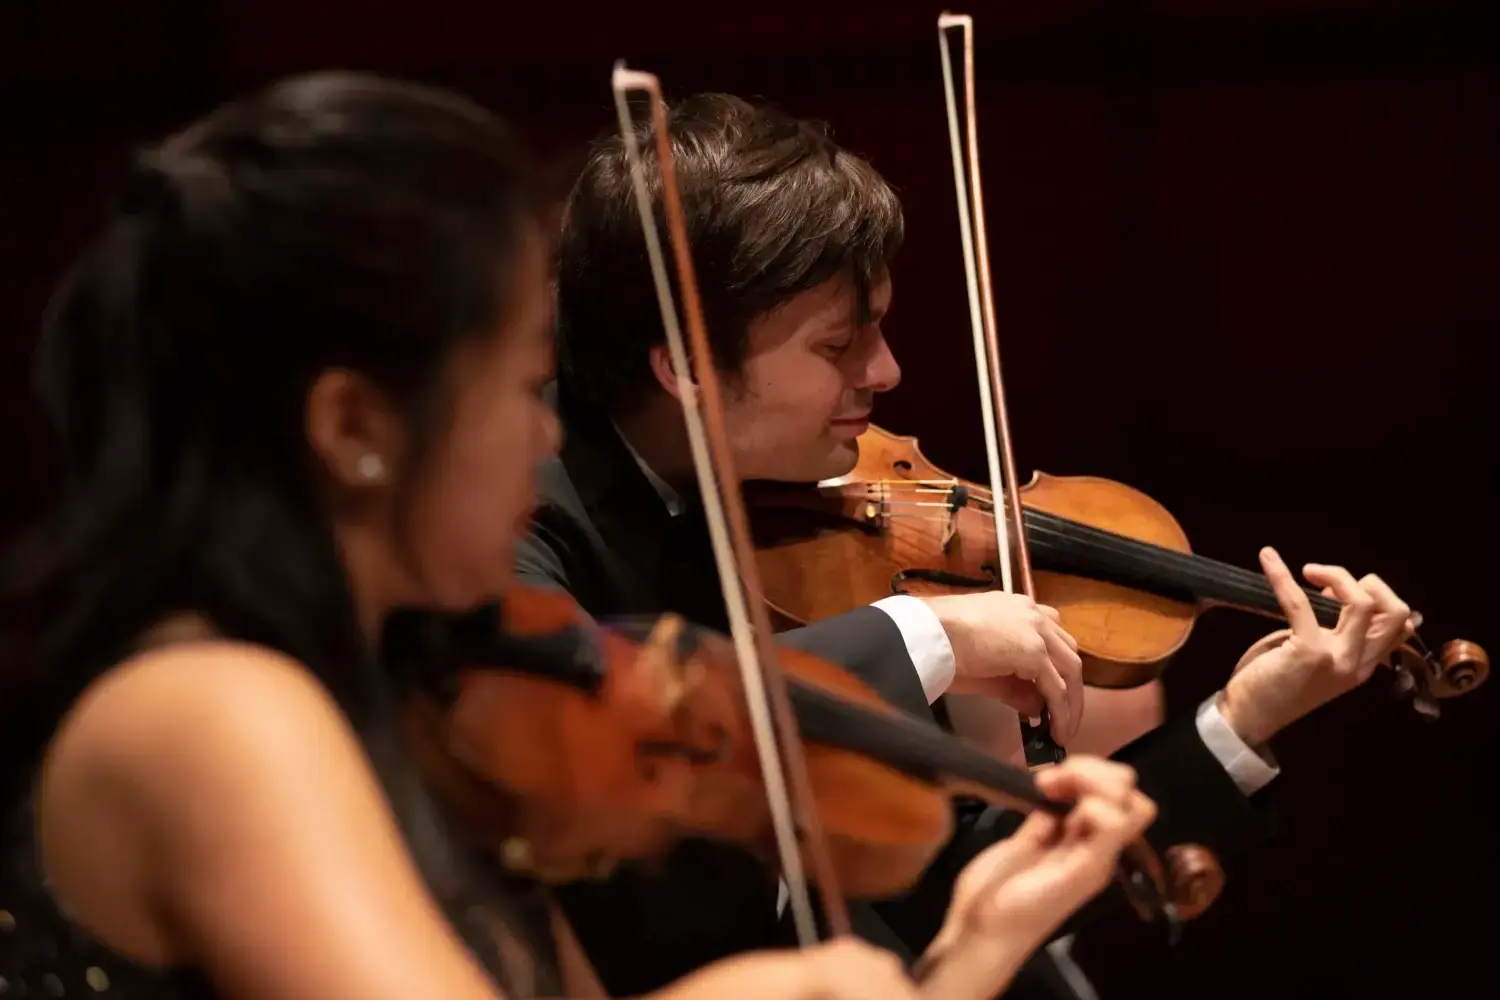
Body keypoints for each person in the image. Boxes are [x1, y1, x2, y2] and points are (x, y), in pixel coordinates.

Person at [0, 71, 1160, 1000]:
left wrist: (967, 955)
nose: (545, 432)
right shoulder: (211, 710)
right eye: (519, 385)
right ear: (353, 426)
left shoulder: (414, 708)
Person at [522, 92, 1415, 998]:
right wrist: (927, 636)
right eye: (840, 343)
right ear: (687, 367)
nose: (886, 371)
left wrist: (1243, 719)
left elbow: (937, 892)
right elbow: (589, 716)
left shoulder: (811, 546)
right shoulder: (523, 511)